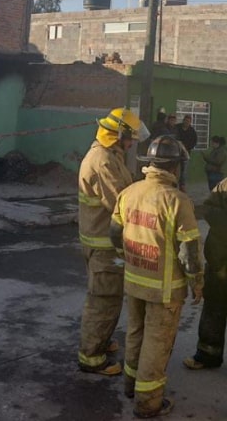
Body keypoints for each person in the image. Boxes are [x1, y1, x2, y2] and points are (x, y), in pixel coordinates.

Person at [111, 135, 203, 418]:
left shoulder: (129, 192)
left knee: (136, 333)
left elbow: (115, 236)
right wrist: (197, 282)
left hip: (135, 281)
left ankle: (131, 385)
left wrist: (134, 261)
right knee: (157, 343)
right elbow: (189, 252)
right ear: (175, 167)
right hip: (165, 291)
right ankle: (148, 402)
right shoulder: (177, 201)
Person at [77, 107, 147, 376]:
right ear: (117, 135)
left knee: (110, 297)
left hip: (104, 243)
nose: (131, 144)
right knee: (103, 300)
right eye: (130, 138)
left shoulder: (111, 155)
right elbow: (121, 202)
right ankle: (91, 356)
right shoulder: (102, 160)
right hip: (104, 245)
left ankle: (101, 342)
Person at [183, 175, 227, 372]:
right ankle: (208, 355)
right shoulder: (225, 185)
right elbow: (208, 208)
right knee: (213, 309)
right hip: (219, 261)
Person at [176, 116, 198, 191]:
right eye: (185, 121)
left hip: (186, 154)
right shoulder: (177, 128)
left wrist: (187, 148)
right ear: (183, 120)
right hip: (175, 153)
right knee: (174, 169)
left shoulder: (192, 131)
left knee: (184, 171)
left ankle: (182, 185)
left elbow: (194, 142)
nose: (186, 122)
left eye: (188, 121)